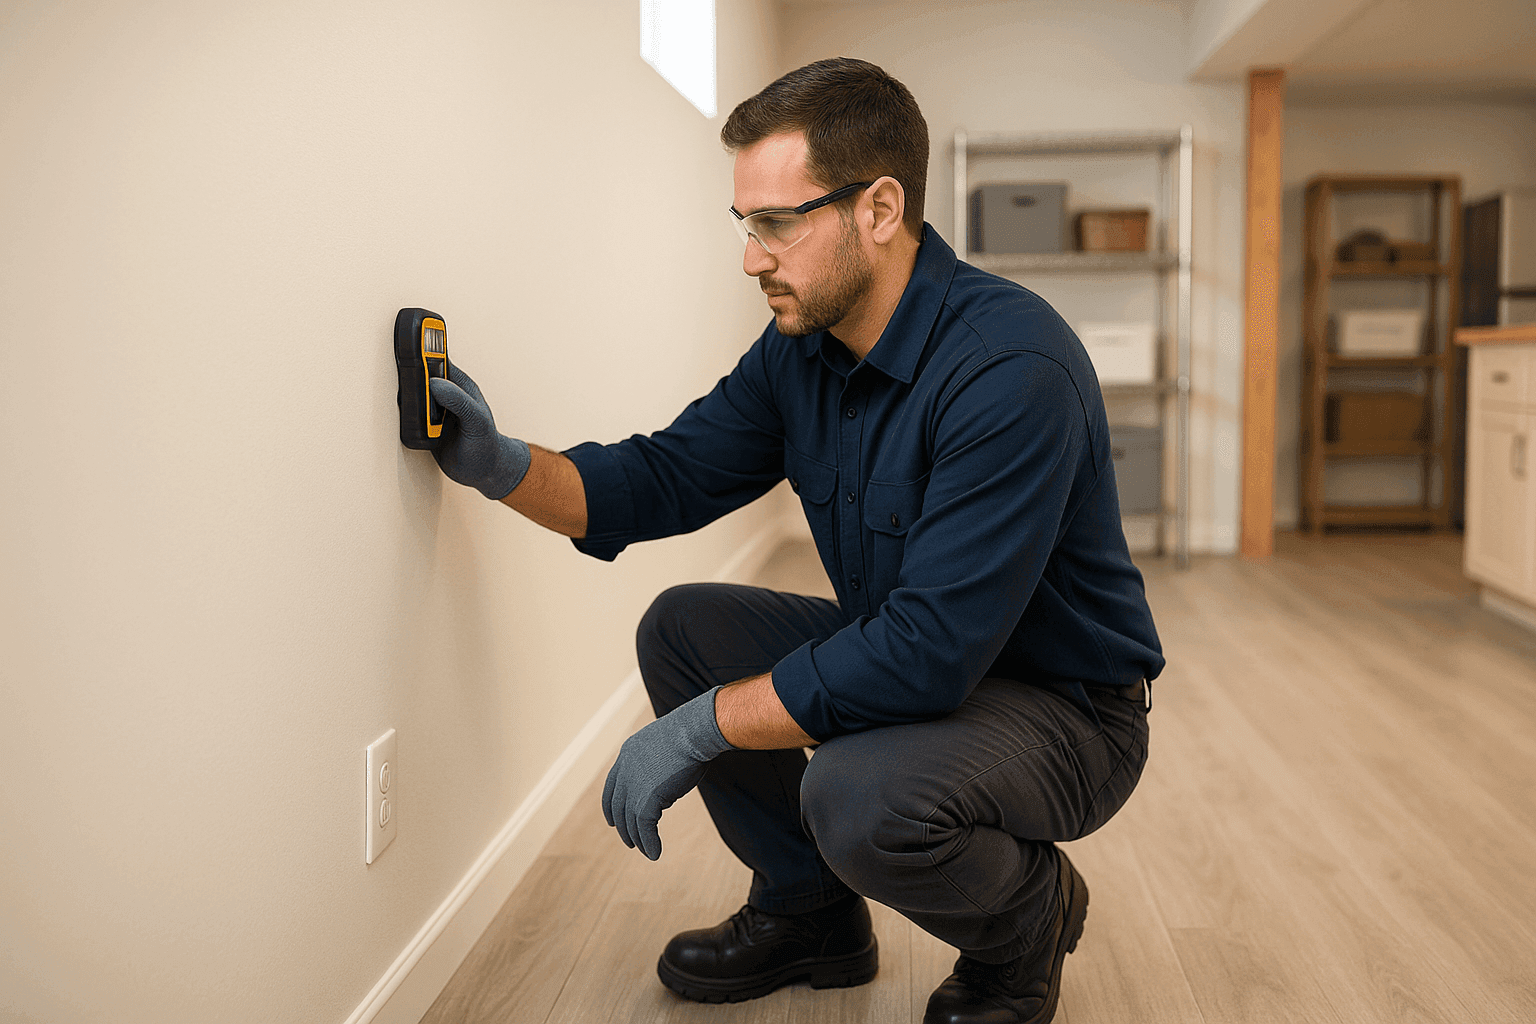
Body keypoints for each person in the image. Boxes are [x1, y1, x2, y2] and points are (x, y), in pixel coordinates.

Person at [427, 57, 1163, 1024]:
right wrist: (501, 464)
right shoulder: (802, 351)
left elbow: (929, 653)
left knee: (859, 796)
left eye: (778, 223)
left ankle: (1023, 927)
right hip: (935, 666)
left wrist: (701, 728)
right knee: (685, 630)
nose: (751, 256)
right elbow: (664, 475)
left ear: (881, 209)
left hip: (1064, 713)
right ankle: (811, 913)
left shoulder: (1009, 370)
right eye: (746, 224)